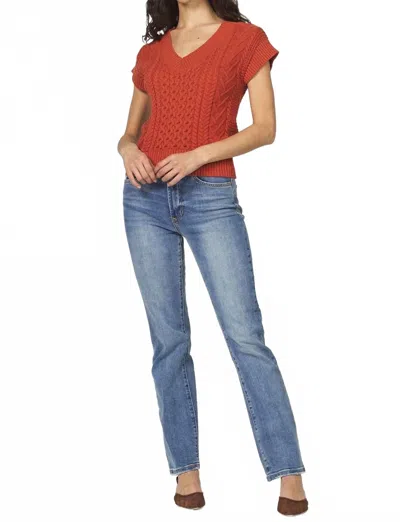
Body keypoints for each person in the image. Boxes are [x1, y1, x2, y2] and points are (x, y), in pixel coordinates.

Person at [117, 0, 308, 516]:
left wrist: (199, 155)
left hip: (210, 197)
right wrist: (128, 150)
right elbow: (129, 133)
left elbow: (265, 128)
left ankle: (288, 472)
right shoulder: (152, 54)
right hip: (144, 200)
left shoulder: (245, 40)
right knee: (169, 341)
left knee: (245, 337)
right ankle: (187, 473)